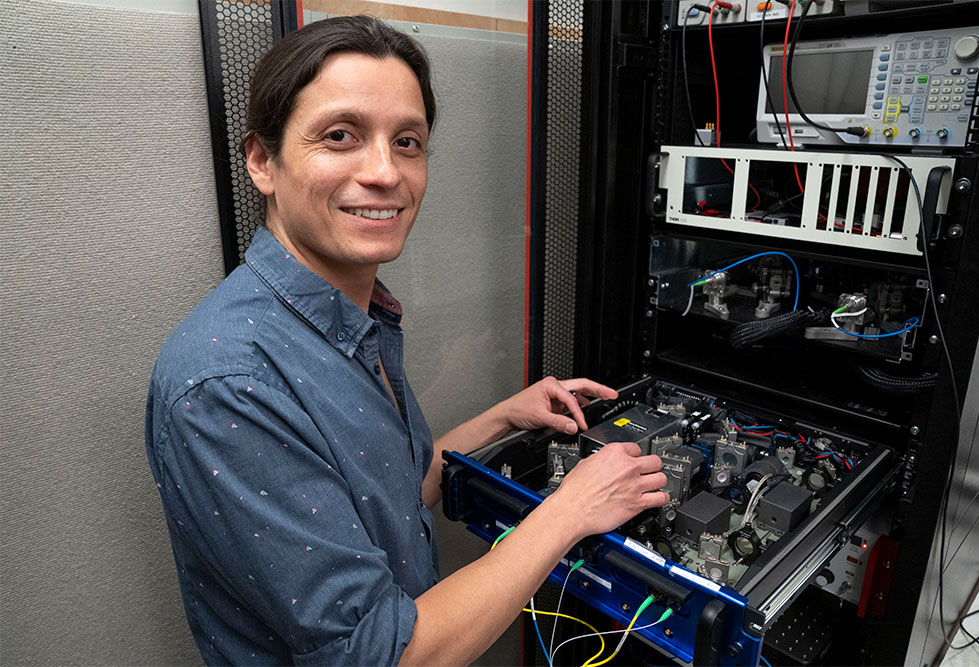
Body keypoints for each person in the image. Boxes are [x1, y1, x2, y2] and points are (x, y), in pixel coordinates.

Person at [145, 15, 667, 666]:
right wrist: (571, 511)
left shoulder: (351, 320)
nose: (385, 172)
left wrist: (505, 414)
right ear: (262, 161)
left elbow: (386, 497)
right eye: (341, 136)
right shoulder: (229, 380)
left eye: (408, 142)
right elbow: (383, 653)